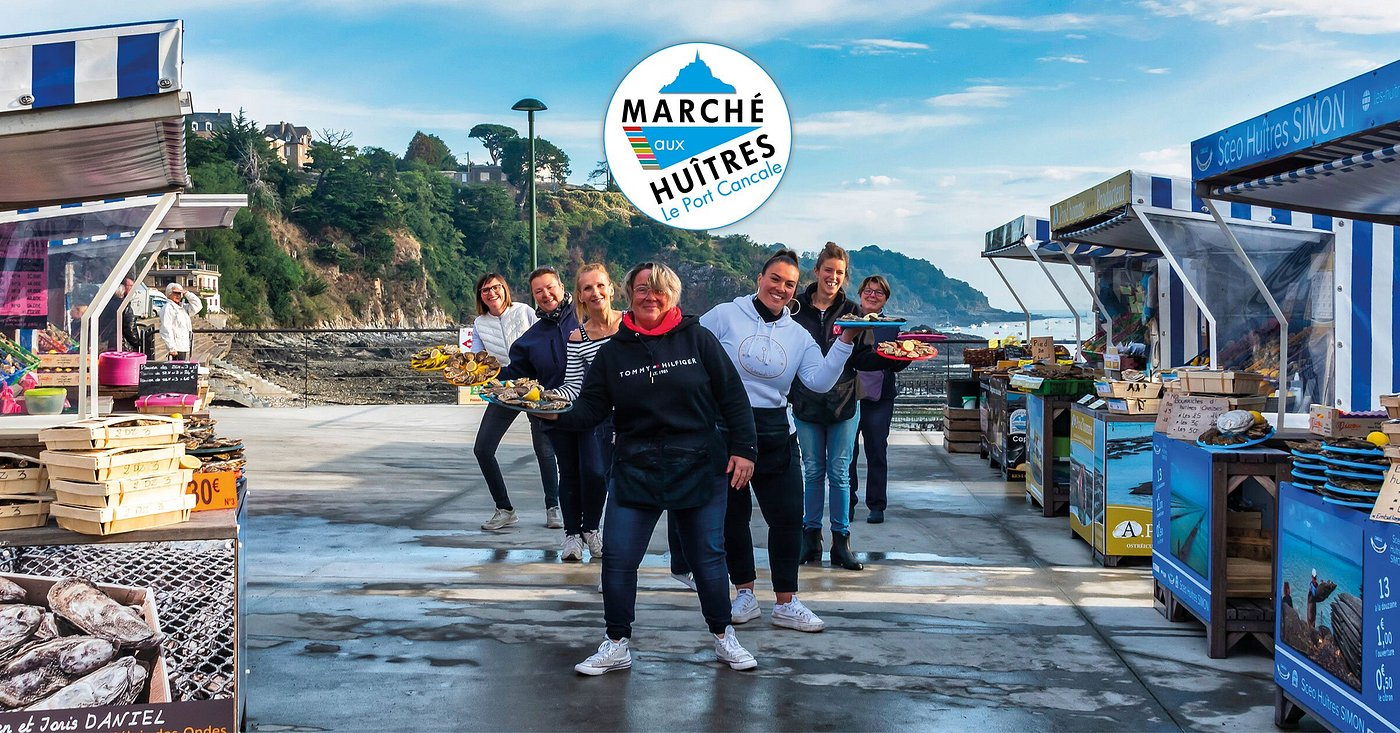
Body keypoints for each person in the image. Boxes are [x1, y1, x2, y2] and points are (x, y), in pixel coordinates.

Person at [548, 262, 758, 676]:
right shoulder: (613, 353)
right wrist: (545, 411)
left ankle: (723, 636)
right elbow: (590, 408)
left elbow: (733, 396)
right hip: (634, 464)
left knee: (708, 557)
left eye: (659, 289)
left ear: (672, 296)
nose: (650, 296)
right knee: (620, 558)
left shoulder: (699, 340)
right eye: (642, 289)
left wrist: (745, 449)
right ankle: (616, 642)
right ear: (628, 294)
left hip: (698, 461)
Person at [687, 248, 858, 632]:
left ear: (796, 290)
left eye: (790, 284)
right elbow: (693, 352)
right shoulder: (725, 315)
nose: (780, 288)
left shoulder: (798, 336)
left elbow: (818, 381)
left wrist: (845, 341)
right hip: (726, 428)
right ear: (760, 279)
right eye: (775, 279)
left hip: (776, 431)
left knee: (785, 520)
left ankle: (786, 601)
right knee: (734, 517)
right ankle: (744, 593)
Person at [789, 242, 898, 571]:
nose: (832, 277)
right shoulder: (794, 310)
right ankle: (810, 539)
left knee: (839, 474)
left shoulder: (853, 311)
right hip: (806, 403)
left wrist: (891, 358)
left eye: (839, 273)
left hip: (844, 404)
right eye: (828, 271)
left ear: (845, 277)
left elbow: (864, 357)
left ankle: (841, 542)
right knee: (812, 472)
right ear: (817, 271)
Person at [470, 272, 560, 532]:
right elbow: (477, 360)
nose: (492, 293)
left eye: (496, 287)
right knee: (483, 449)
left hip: (535, 386)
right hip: (504, 389)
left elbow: (545, 338)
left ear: (505, 289)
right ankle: (504, 508)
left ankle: (553, 507)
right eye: (485, 290)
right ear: (480, 296)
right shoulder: (480, 323)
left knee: (545, 450)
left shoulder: (524, 311)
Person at [546, 264, 620, 562]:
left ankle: (592, 530)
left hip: (630, 417)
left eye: (600, 285)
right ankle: (573, 536)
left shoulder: (630, 324)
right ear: (579, 295)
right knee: (578, 473)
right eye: (588, 288)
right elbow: (573, 384)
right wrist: (545, 399)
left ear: (611, 288)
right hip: (594, 414)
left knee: (599, 475)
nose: (595, 292)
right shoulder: (578, 337)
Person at [847, 275, 909, 524]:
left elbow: (895, 364)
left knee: (876, 449)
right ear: (860, 293)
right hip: (848, 394)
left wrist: (907, 357)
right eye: (868, 291)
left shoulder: (891, 326)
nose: (872, 295)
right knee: (847, 452)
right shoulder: (847, 320)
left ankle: (876, 505)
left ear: (885, 300)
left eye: (878, 293)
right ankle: (847, 503)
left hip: (880, 396)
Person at [158, 283, 202, 361]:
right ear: (169, 294)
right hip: (177, 347)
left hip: (184, 345)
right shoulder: (168, 308)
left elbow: (198, 305)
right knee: (177, 369)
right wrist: (171, 348)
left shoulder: (183, 307)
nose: (178, 296)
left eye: (179, 293)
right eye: (175, 293)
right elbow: (165, 328)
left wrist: (187, 293)